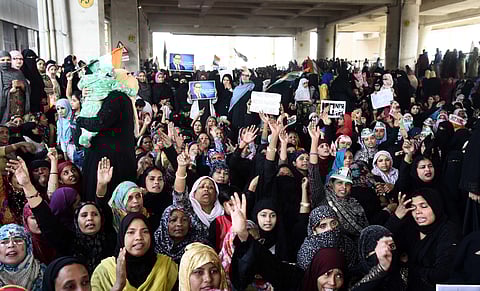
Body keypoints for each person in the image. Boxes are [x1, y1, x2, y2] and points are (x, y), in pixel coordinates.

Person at [389, 189, 459, 290]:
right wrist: (396, 218)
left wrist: (407, 266)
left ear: (435, 206)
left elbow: (442, 274)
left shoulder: (449, 231)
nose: (417, 212)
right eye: (413, 208)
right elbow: (380, 244)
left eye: (424, 206)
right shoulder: (411, 227)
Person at [91, 213, 178, 290]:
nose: (139, 237)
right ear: (122, 237)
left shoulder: (167, 266)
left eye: (145, 231)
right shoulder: (104, 271)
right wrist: (118, 285)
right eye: (131, 232)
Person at [0, 224, 46, 291]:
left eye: (18, 240)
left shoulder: (43, 273)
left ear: (28, 246)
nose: (11, 245)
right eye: (4, 242)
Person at [0, 50, 30, 123]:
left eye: (8, 60)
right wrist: (9, 92)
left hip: (17, 108)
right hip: (2, 109)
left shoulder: (17, 72)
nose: (6, 62)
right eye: (2, 60)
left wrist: (22, 85)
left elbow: (27, 89)